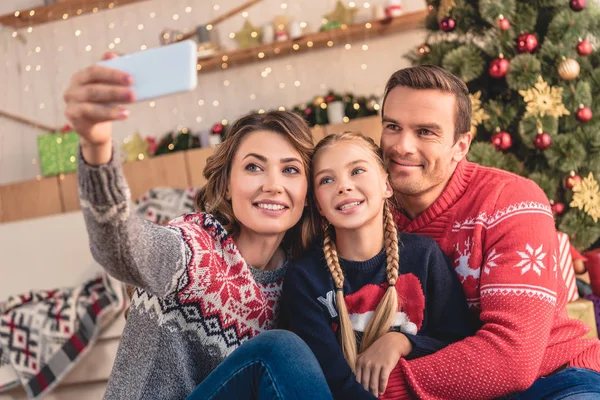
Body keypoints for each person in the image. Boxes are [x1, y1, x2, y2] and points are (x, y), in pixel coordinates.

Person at [63, 53, 332, 400]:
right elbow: (120, 244)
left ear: (308, 194)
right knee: (279, 348)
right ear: (227, 185)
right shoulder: (194, 248)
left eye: (291, 170)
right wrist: (97, 146)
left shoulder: (300, 275)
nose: (273, 184)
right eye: (254, 167)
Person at [378, 65, 600, 399]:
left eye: (426, 132)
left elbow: (513, 357)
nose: (402, 146)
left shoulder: (511, 200)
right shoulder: (365, 205)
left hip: (554, 379)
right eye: (392, 127)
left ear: (461, 145)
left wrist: (372, 389)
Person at [282, 132, 473, 399]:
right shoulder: (304, 279)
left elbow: (461, 345)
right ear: (318, 205)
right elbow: (331, 381)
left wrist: (403, 342)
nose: (343, 186)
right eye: (327, 179)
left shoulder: (424, 256)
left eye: (357, 170)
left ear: (386, 184)